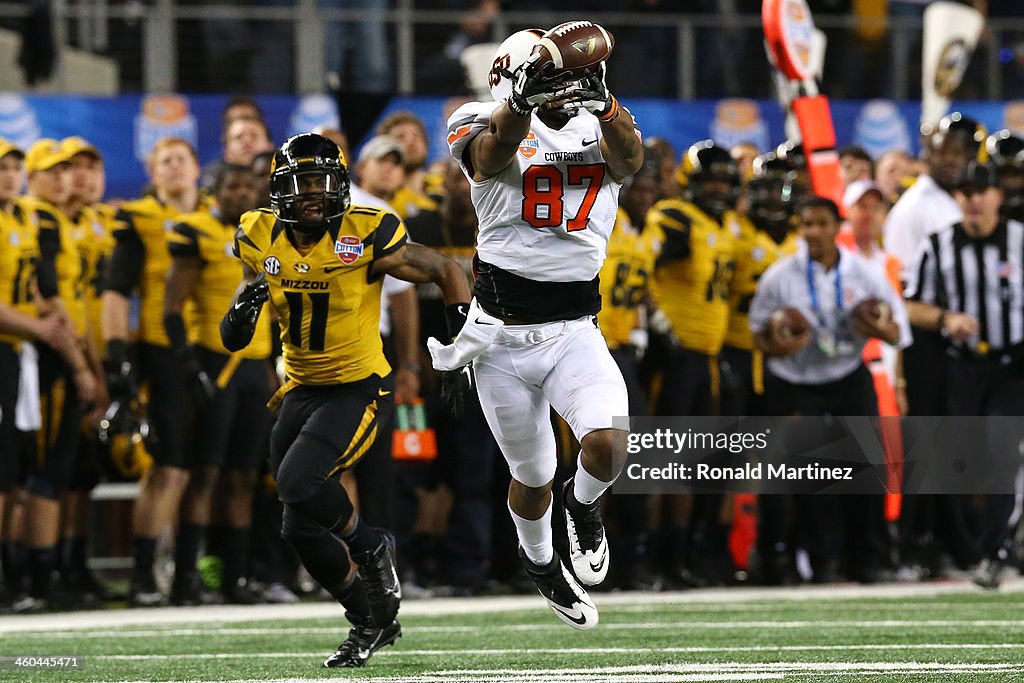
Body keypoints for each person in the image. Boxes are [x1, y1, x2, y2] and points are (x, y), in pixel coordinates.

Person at [221, 133, 469, 667]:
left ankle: (371, 546)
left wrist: (456, 349)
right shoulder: (257, 233)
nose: (312, 194)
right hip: (300, 388)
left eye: (320, 182)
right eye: (301, 183)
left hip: (358, 387)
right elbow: (236, 335)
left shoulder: (367, 231)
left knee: (298, 481)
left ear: (339, 184)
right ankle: (371, 620)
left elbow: (449, 271)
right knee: (297, 524)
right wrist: (238, 316)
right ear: (281, 188)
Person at [436, 26, 643, 629]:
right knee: (533, 476)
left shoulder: (594, 120)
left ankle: (584, 510)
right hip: (499, 337)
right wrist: (520, 104)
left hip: (574, 327)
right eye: (547, 79)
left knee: (609, 444)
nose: (561, 90)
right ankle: (541, 564)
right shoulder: (478, 116)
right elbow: (488, 157)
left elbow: (631, 160)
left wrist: (603, 103)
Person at [750, 197, 911, 583]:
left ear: (837, 226)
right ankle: (817, 560)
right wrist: (780, 343)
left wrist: (876, 327)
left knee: (867, 465)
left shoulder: (865, 273)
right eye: (807, 224)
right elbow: (757, 334)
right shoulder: (780, 275)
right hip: (794, 378)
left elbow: (896, 333)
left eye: (821, 223)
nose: (814, 232)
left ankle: (866, 559)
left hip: (847, 371)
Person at [101, 137, 213, 606]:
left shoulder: (219, 214)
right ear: (152, 172)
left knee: (204, 469)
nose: (174, 167)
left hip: (216, 352)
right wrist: (118, 358)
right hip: (163, 349)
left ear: (195, 166)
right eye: (164, 160)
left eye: (181, 158)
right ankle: (145, 573)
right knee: (169, 467)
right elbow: (115, 291)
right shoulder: (139, 218)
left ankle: (189, 571)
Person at [904, 162, 1024, 589]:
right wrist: (945, 317)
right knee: (967, 462)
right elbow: (913, 306)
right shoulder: (938, 245)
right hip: (964, 366)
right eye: (966, 192)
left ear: (997, 197)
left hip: (1014, 366)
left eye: (981, 192)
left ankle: (995, 550)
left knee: (1000, 451)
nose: (973, 199)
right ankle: (980, 545)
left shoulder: (1020, 240)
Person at [163, 163, 269, 605]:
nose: (241, 193)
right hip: (214, 363)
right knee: (205, 475)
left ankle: (236, 576)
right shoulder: (198, 232)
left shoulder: (268, 234)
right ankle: (186, 575)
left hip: (256, 365)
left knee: (244, 478)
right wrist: (192, 369)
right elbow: (171, 310)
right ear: (215, 190)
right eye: (232, 186)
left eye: (248, 186)